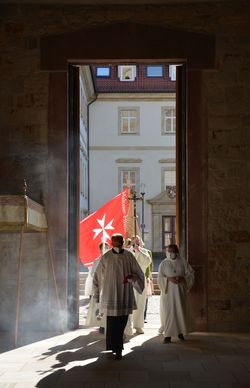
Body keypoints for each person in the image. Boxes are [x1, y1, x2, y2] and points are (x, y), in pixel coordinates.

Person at [92, 233, 145, 360]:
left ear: (122, 242)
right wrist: (96, 292)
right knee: (111, 322)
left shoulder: (129, 256)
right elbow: (97, 275)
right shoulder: (106, 257)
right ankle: (114, 346)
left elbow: (138, 272)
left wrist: (134, 278)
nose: (119, 242)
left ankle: (118, 346)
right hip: (110, 293)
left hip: (124, 292)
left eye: (120, 240)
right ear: (112, 243)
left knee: (122, 321)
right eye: (116, 241)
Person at [158, 244, 194, 344]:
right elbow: (160, 277)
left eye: (173, 251)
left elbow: (190, 274)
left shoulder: (183, 262)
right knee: (169, 312)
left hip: (180, 292)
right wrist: (168, 279)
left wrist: (183, 278)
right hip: (168, 292)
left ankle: (180, 332)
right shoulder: (163, 263)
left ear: (177, 252)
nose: (171, 253)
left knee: (180, 310)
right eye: (169, 251)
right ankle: (168, 335)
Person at [125, 235, 151, 334]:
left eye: (138, 241)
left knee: (140, 303)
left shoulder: (144, 252)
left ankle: (138, 325)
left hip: (140, 280)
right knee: (129, 303)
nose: (136, 243)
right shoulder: (127, 252)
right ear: (131, 242)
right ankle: (128, 325)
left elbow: (147, 262)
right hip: (130, 281)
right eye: (134, 241)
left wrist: (139, 251)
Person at [85, 242, 110, 332]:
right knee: (100, 308)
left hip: (110, 287)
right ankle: (102, 326)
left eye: (107, 247)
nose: (106, 249)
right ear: (100, 250)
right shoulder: (97, 261)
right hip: (100, 288)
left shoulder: (112, 260)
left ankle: (109, 325)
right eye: (104, 248)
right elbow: (93, 274)